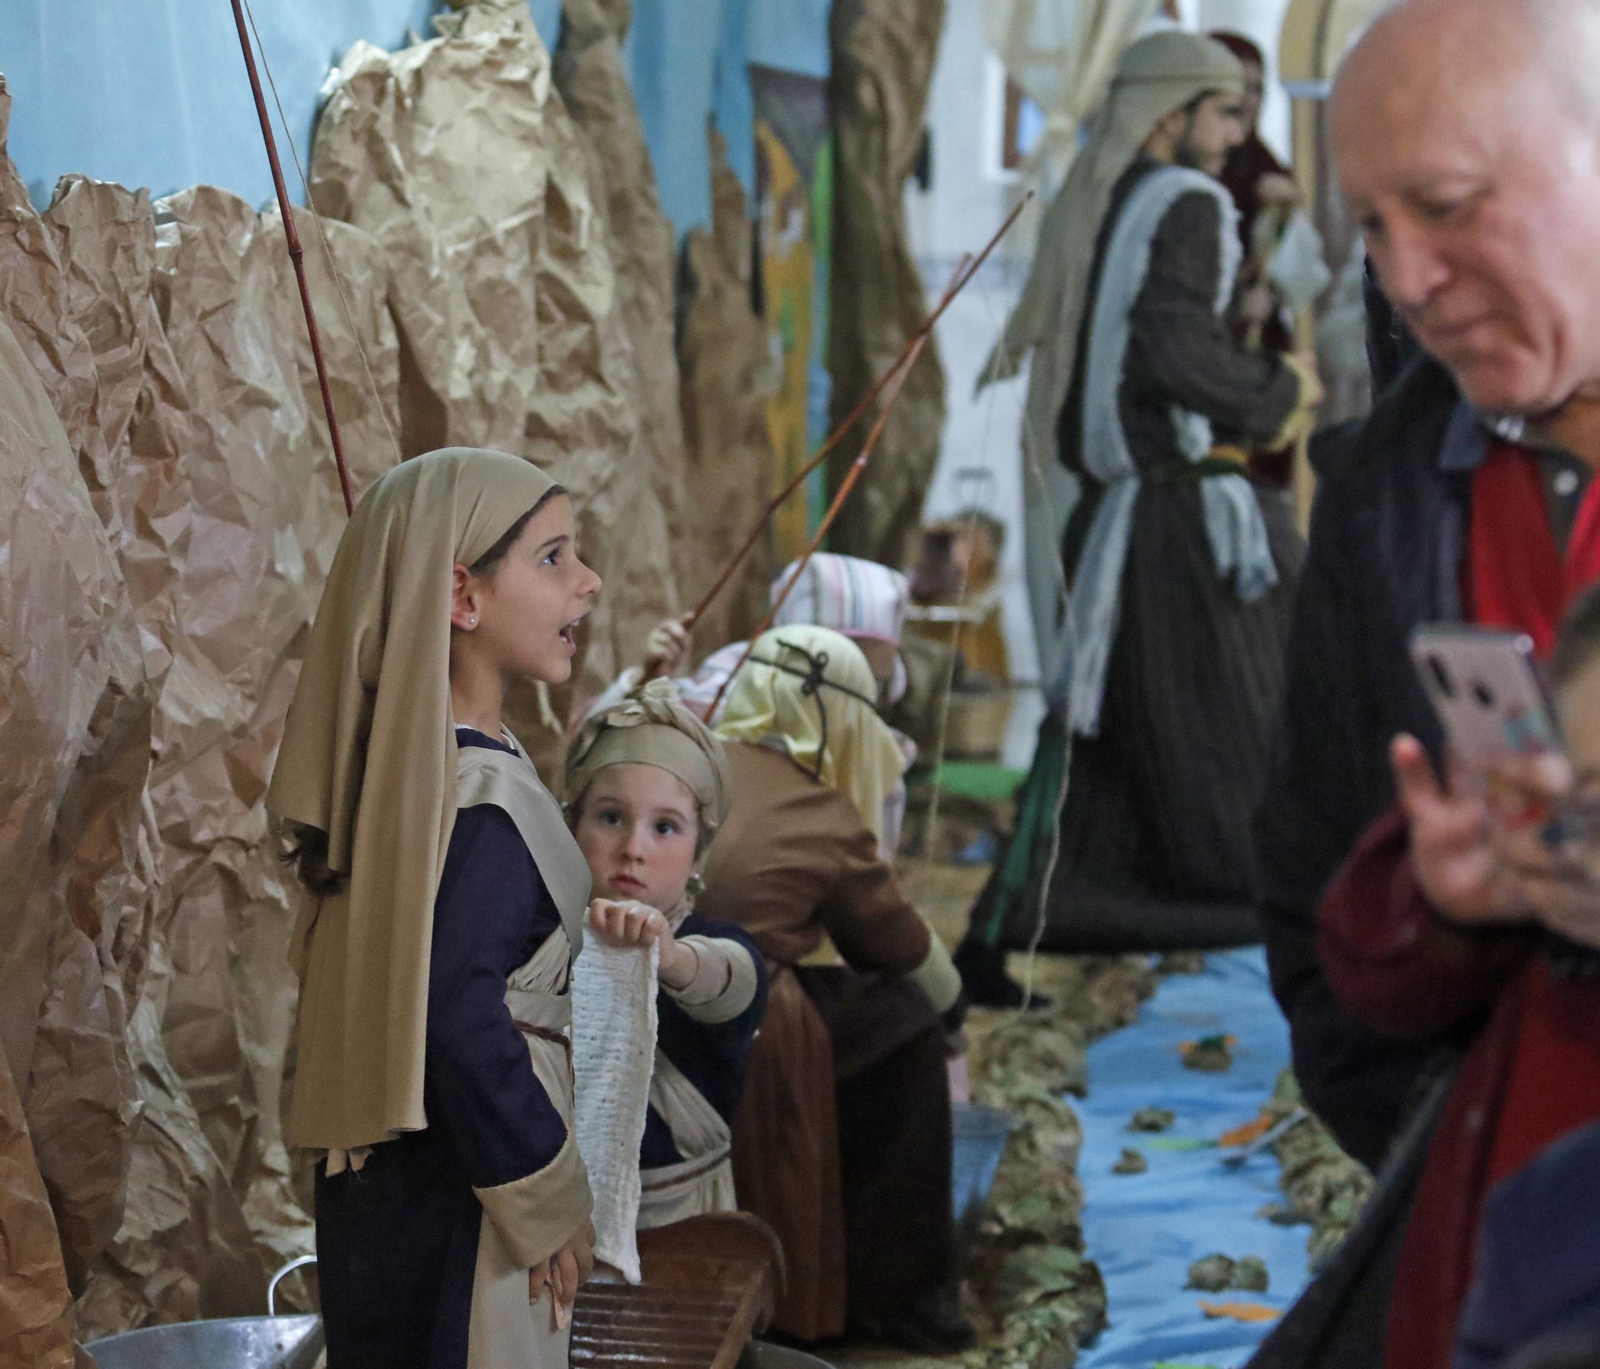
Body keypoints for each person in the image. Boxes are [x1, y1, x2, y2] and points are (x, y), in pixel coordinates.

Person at [1263, 3, 1600, 1365]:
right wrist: (1445, 910)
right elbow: (1314, 901)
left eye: (1449, 206)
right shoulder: (1385, 500)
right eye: (1371, 227)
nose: (1405, 277)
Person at [955, 31, 1320, 1005]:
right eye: (1224, 111)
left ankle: (996, 935)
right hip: (1174, 522)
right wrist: (1274, 389)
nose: (1237, 133)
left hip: (1126, 520)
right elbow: (1172, 350)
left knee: (1095, 742)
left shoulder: (1114, 192)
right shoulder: (1187, 200)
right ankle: (1287, 925)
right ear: (1170, 114)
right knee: (1257, 717)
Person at [268, 449, 601, 1369]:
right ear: (462, 595)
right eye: (552, 557)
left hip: (397, 1192)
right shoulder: (477, 802)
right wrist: (546, 1193)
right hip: (474, 1195)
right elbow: (458, 1016)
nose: (587, 580)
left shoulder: (410, 786)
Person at [696, 626, 969, 1352]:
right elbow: (897, 942)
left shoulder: (691, 758)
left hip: (633, 972)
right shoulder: (818, 811)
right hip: (739, 1015)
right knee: (907, 1026)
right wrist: (953, 1005)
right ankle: (902, 1293)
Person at [564, 680, 769, 1228]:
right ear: (571, 824)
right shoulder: (538, 941)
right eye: (611, 817)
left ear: (699, 855)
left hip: (678, 1233)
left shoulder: (717, 944)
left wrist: (670, 958)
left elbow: (730, 980)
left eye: (665, 827)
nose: (633, 849)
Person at [595, 551, 918, 852]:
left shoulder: (879, 757)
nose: (858, 704)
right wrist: (644, 683)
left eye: (874, 682)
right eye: (843, 678)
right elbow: (598, 747)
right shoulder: (718, 711)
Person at [1210, 29, 1315, 486]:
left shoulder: (1266, 168)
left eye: (1256, 88)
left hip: (1259, 350)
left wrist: (1286, 217)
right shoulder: (1188, 175)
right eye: (1237, 88)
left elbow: (1305, 276)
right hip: (1206, 355)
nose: (1248, 101)